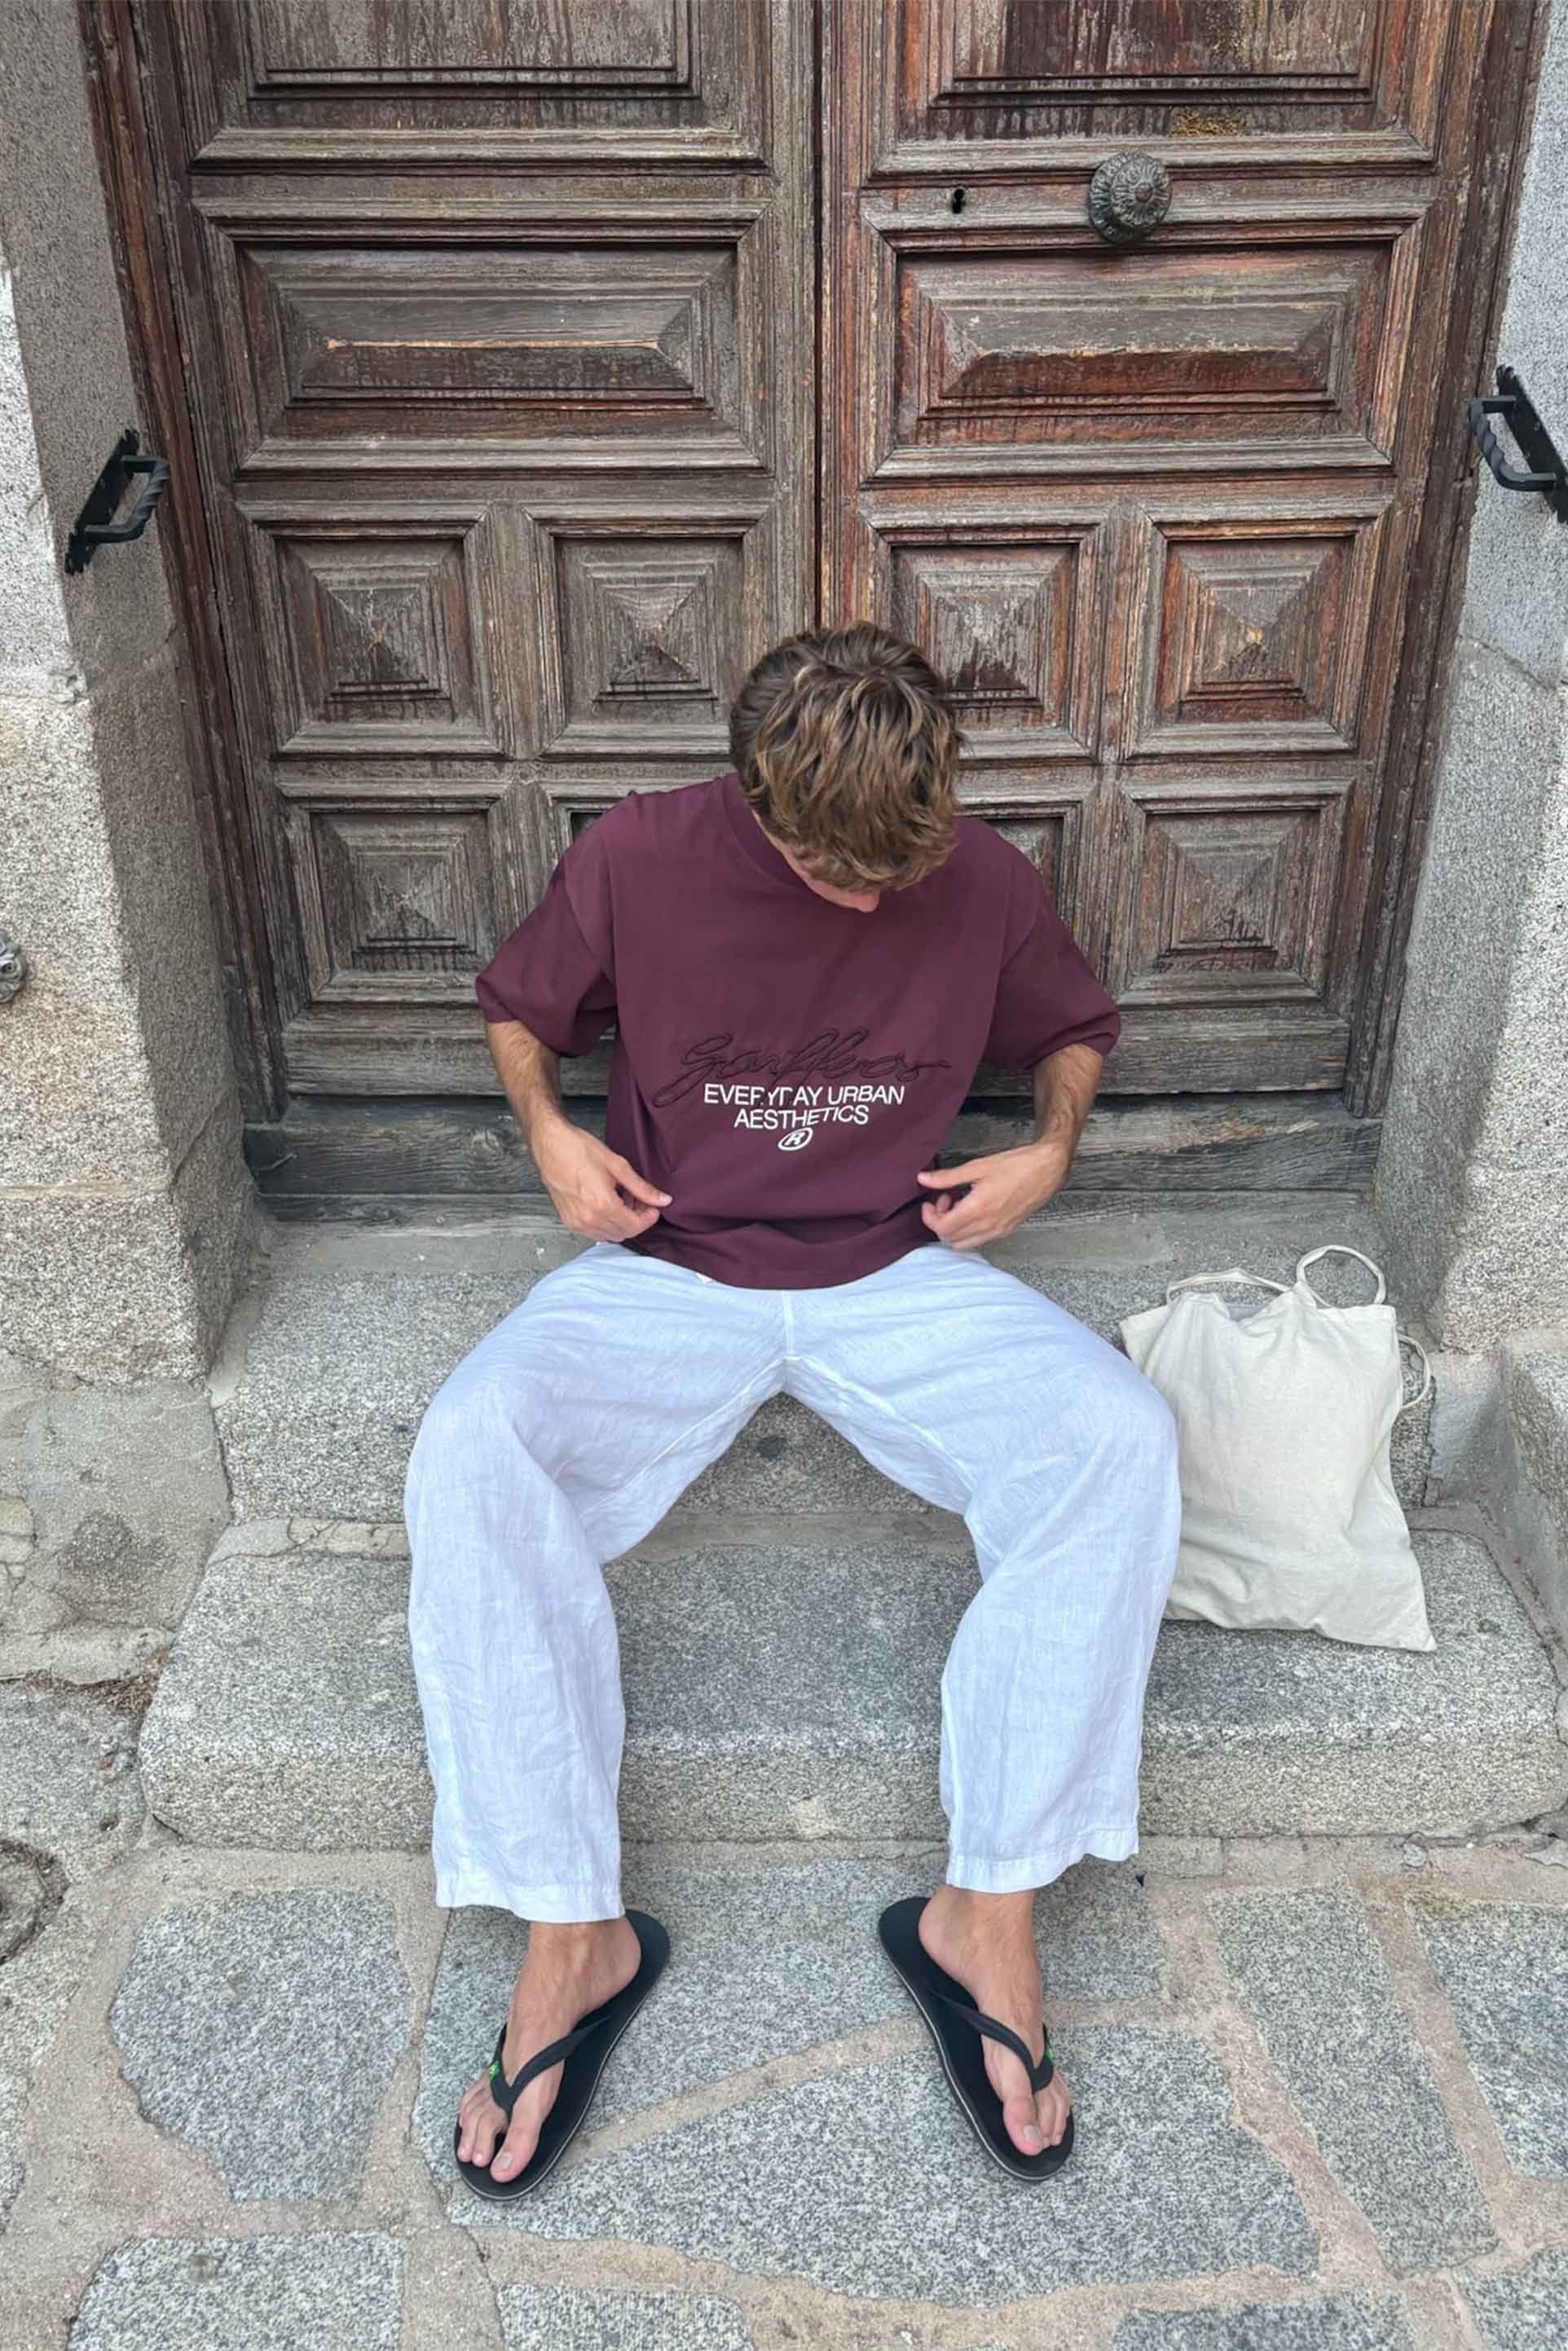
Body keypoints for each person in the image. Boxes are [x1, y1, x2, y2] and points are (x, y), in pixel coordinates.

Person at [404, 623, 1181, 2196]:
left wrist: (1048, 1150)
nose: (872, 904)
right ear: (755, 795)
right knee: (475, 1443)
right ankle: (572, 1929)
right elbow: (519, 1008)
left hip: (897, 1266)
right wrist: (548, 1129)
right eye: (835, 873)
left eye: (901, 872)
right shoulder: (640, 852)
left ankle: (986, 1915)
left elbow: (1074, 1030)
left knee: (1120, 1438)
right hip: (669, 1264)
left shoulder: (978, 875)